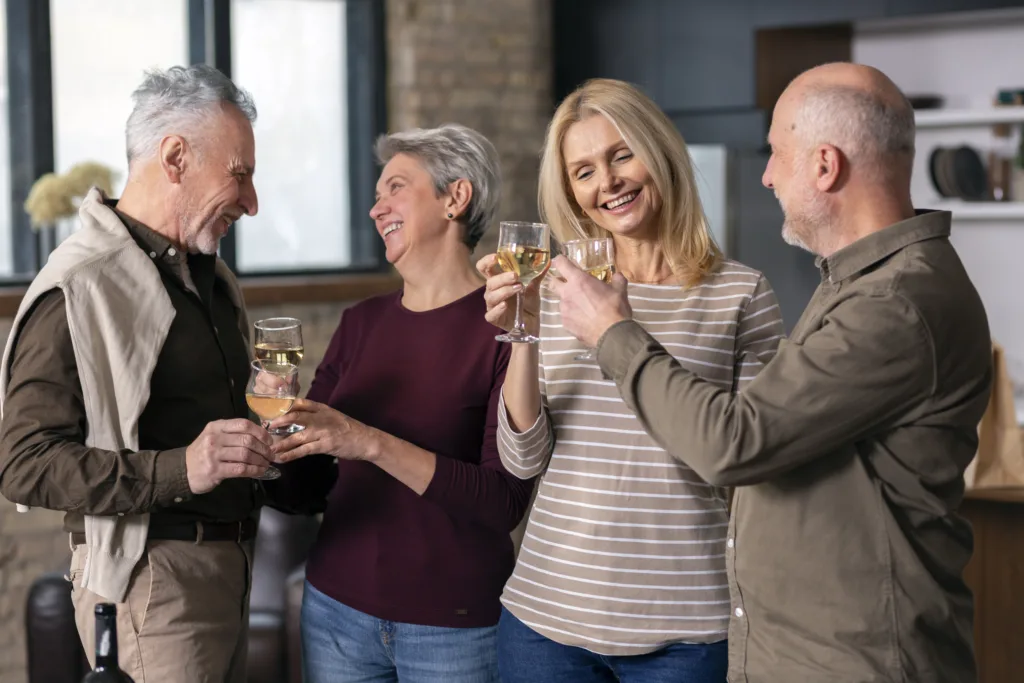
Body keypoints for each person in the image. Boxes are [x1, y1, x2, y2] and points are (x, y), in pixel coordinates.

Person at [548, 63, 992, 683]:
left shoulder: (893, 302)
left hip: (857, 661)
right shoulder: (860, 282)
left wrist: (612, 334)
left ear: (824, 165)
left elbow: (733, 442)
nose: (766, 175)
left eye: (778, 155)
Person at [477, 78, 785, 683]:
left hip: (687, 628)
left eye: (622, 155)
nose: (607, 182)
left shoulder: (740, 293)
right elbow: (521, 457)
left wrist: (619, 330)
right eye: (584, 171)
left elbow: (752, 461)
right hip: (545, 618)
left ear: (660, 153)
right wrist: (525, 329)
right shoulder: (555, 286)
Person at [0, 65, 270, 683]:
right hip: (152, 583)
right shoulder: (79, 283)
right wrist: (184, 468)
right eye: (240, 174)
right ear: (175, 156)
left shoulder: (211, 276)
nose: (252, 203)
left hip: (230, 569)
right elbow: (23, 463)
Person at [265, 124, 535, 683]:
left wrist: (369, 442)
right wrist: (274, 437)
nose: (375, 208)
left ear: (455, 198)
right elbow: (304, 491)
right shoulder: (359, 323)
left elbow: (503, 502)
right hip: (335, 612)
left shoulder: (507, 330)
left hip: (455, 630)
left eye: (395, 187)